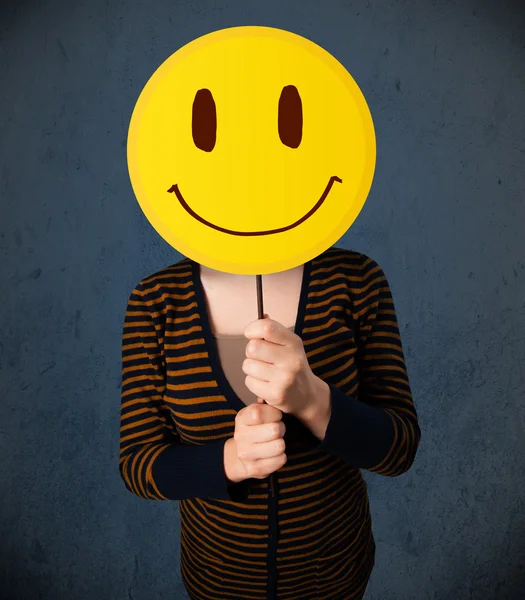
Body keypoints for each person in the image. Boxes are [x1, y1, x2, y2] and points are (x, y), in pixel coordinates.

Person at [119, 245, 421, 600]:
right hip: (216, 582)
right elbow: (136, 463)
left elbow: (401, 448)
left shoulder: (356, 279)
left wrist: (314, 403)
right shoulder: (156, 300)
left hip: (336, 576)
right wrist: (231, 461)